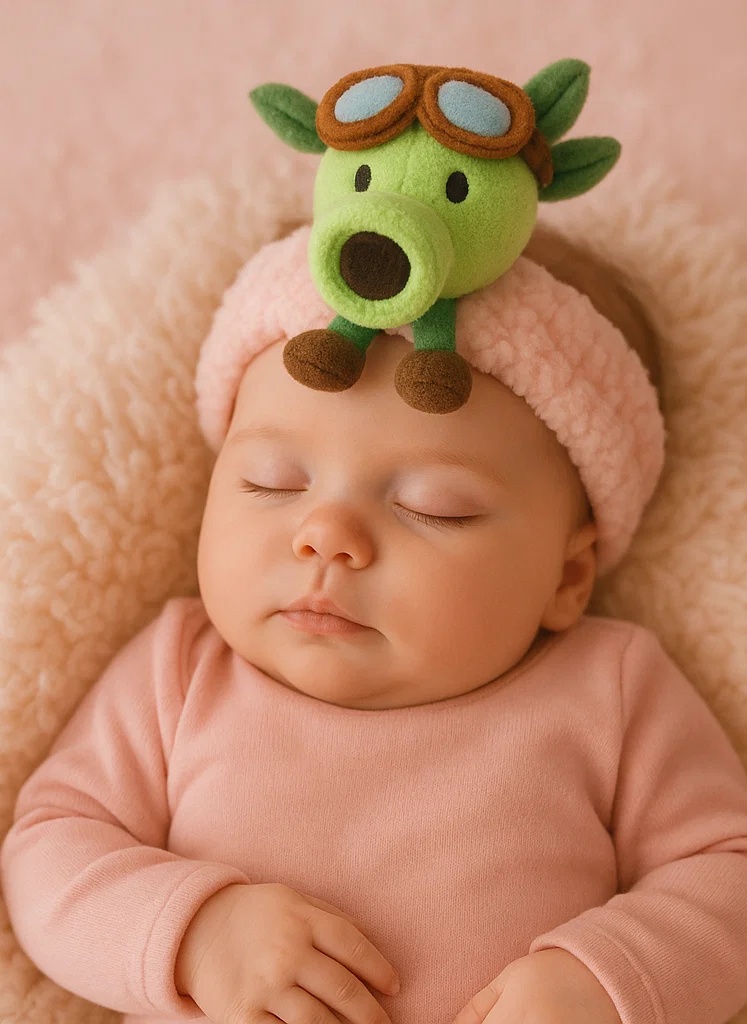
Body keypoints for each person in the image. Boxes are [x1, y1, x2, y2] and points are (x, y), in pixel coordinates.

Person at [3, 221, 747, 1024]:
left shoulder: (611, 687)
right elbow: (52, 848)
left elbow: (724, 872)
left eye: (434, 506)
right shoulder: (180, 672)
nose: (326, 536)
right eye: (271, 481)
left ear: (567, 575)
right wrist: (194, 934)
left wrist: (605, 980)